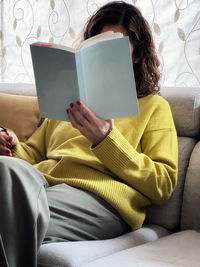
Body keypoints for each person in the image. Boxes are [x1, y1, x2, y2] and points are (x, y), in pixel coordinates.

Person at [0, 1, 178, 266]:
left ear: (137, 54)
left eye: (114, 46)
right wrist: (10, 143)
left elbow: (162, 185)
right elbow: (33, 156)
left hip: (100, 200)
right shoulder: (68, 100)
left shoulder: (153, 107)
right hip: (44, 184)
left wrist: (106, 140)